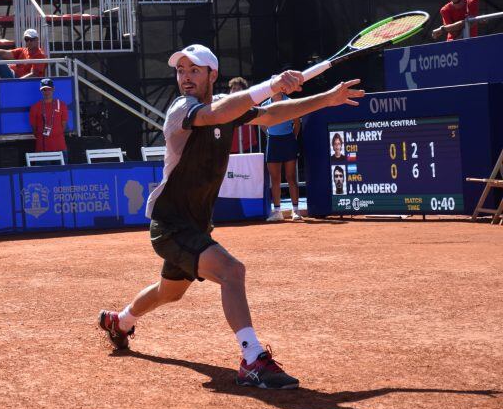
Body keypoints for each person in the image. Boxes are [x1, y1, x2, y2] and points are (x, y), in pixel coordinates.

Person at [98, 44, 363, 389]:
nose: (186, 77)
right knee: (231, 271)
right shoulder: (183, 109)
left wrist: (324, 99)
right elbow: (216, 115)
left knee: (169, 292)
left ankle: (120, 321)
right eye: (181, 71)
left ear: (213, 75)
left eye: (195, 70)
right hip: (170, 224)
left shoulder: (227, 105)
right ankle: (252, 358)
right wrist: (271, 85)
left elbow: (271, 114)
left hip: (195, 224)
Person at [260, 92, 302, 222]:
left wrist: (291, 138)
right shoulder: (264, 105)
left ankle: (295, 211)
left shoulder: (290, 101)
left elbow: (297, 123)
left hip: (288, 140)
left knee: (291, 177)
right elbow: (262, 124)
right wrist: (271, 135)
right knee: (275, 178)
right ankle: (277, 211)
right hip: (273, 142)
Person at [29, 78, 68, 158]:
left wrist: (55, 133)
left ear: (53, 89)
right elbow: (34, 128)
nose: (46, 92)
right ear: (41, 91)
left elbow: (64, 125)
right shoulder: (35, 107)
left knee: (62, 170)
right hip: (42, 147)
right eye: (44, 90)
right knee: (43, 170)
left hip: (59, 146)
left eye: (49, 89)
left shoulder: (61, 105)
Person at [228, 77, 258, 153]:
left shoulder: (251, 103)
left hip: (248, 145)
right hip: (230, 146)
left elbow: (261, 118)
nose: (235, 91)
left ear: (244, 91)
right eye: (234, 88)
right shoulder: (224, 105)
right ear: (230, 91)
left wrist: (268, 135)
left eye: (238, 88)